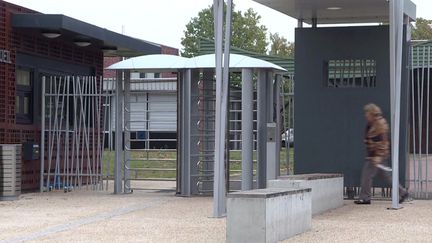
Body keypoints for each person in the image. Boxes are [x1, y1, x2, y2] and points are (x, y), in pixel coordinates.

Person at [354, 103, 409, 205]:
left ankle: (365, 198)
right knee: (386, 176)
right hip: (373, 155)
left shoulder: (380, 123)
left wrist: (379, 156)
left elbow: (384, 141)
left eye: (367, 113)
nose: (366, 115)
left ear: (372, 113)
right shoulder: (371, 123)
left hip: (376, 156)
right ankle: (402, 192)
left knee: (366, 175)